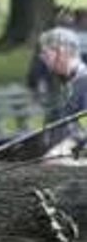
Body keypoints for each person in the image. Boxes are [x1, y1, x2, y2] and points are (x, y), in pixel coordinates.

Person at [34, 28, 87, 161]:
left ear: (62, 52)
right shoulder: (62, 83)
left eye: (46, 53)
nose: (42, 58)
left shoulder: (83, 84)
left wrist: (60, 152)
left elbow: (83, 130)